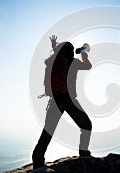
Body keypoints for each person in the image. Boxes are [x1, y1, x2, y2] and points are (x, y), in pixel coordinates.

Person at [32, 35, 92, 169]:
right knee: (86, 124)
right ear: (69, 51)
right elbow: (88, 66)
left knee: (48, 131)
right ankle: (83, 152)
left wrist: (54, 47)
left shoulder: (54, 61)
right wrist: (83, 53)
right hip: (69, 100)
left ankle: (37, 159)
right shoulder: (73, 62)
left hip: (55, 100)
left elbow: (53, 59)